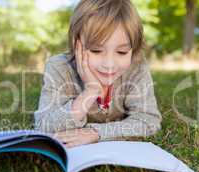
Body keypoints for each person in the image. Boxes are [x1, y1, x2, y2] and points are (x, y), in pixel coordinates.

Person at [34, 0, 162, 148]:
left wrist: (96, 132)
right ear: (76, 44)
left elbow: (149, 121)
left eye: (122, 52)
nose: (109, 64)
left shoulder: (136, 67)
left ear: (134, 50)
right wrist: (90, 91)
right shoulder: (59, 67)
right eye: (96, 50)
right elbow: (44, 126)